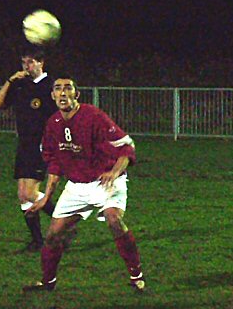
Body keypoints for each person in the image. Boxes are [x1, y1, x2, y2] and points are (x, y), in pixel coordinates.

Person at [23, 77, 146, 292]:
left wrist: (114, 172)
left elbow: (126, 146)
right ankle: (48, 282)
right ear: (52, 96)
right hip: (76, 187)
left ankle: (136, 275)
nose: (62, 93)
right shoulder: (53, 124)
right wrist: (46, 197)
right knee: (52, 236)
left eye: (68, 88)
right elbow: (53, 163)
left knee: (114, 219)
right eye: (58, 89)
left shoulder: (93, 116)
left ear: (76, 95)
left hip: (106, 182)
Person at [0, 48, 58, 251]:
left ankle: (65, 224)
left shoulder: (51, 86)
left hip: (41, 144)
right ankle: (37, 240)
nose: (26, 67)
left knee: (31, 192)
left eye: (30, 62)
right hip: (24, 144)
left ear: (41, 63)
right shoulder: (20, 84)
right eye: (24, 63)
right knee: (23, 195)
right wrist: (10, 80)